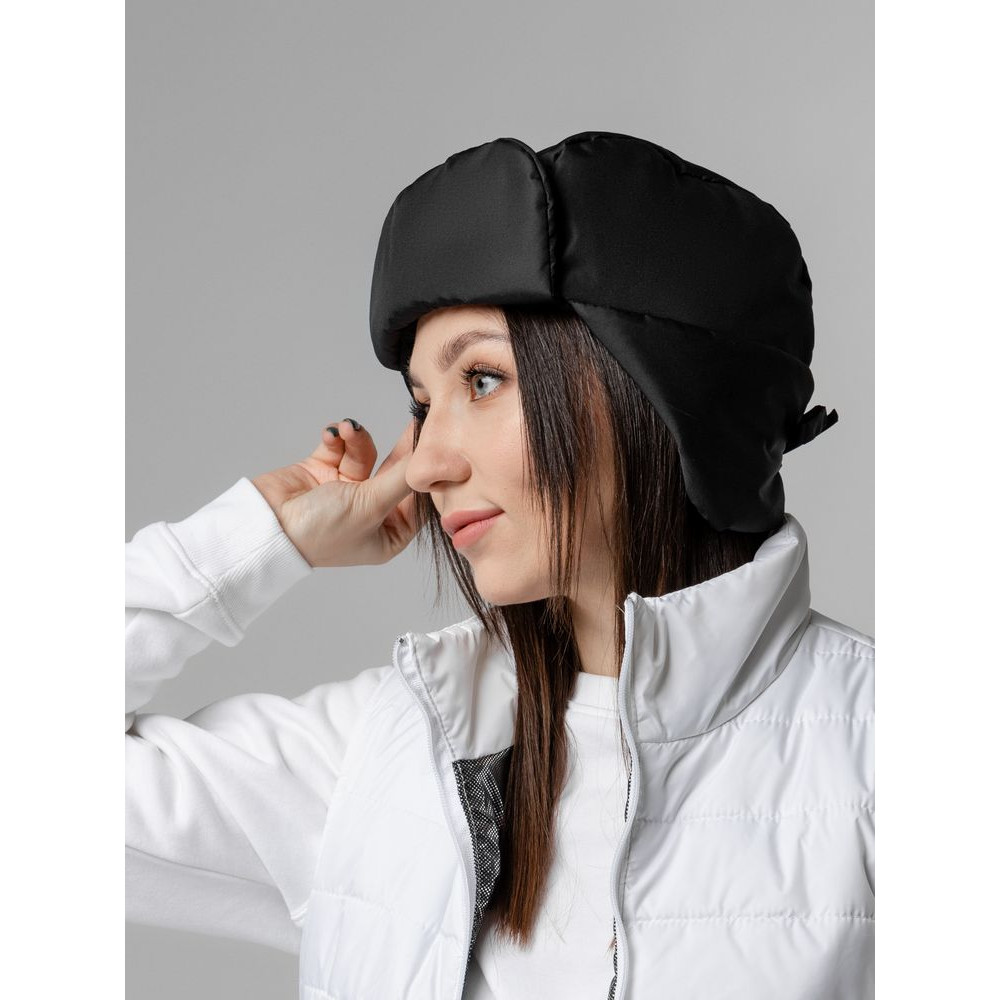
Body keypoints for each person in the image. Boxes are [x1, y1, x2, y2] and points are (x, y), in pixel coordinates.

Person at [126, 133, 874, 1000]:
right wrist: (263, 538)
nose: (422, 463)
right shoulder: (392, 754)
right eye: (421, 404)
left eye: (480, 381)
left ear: (657, 387)